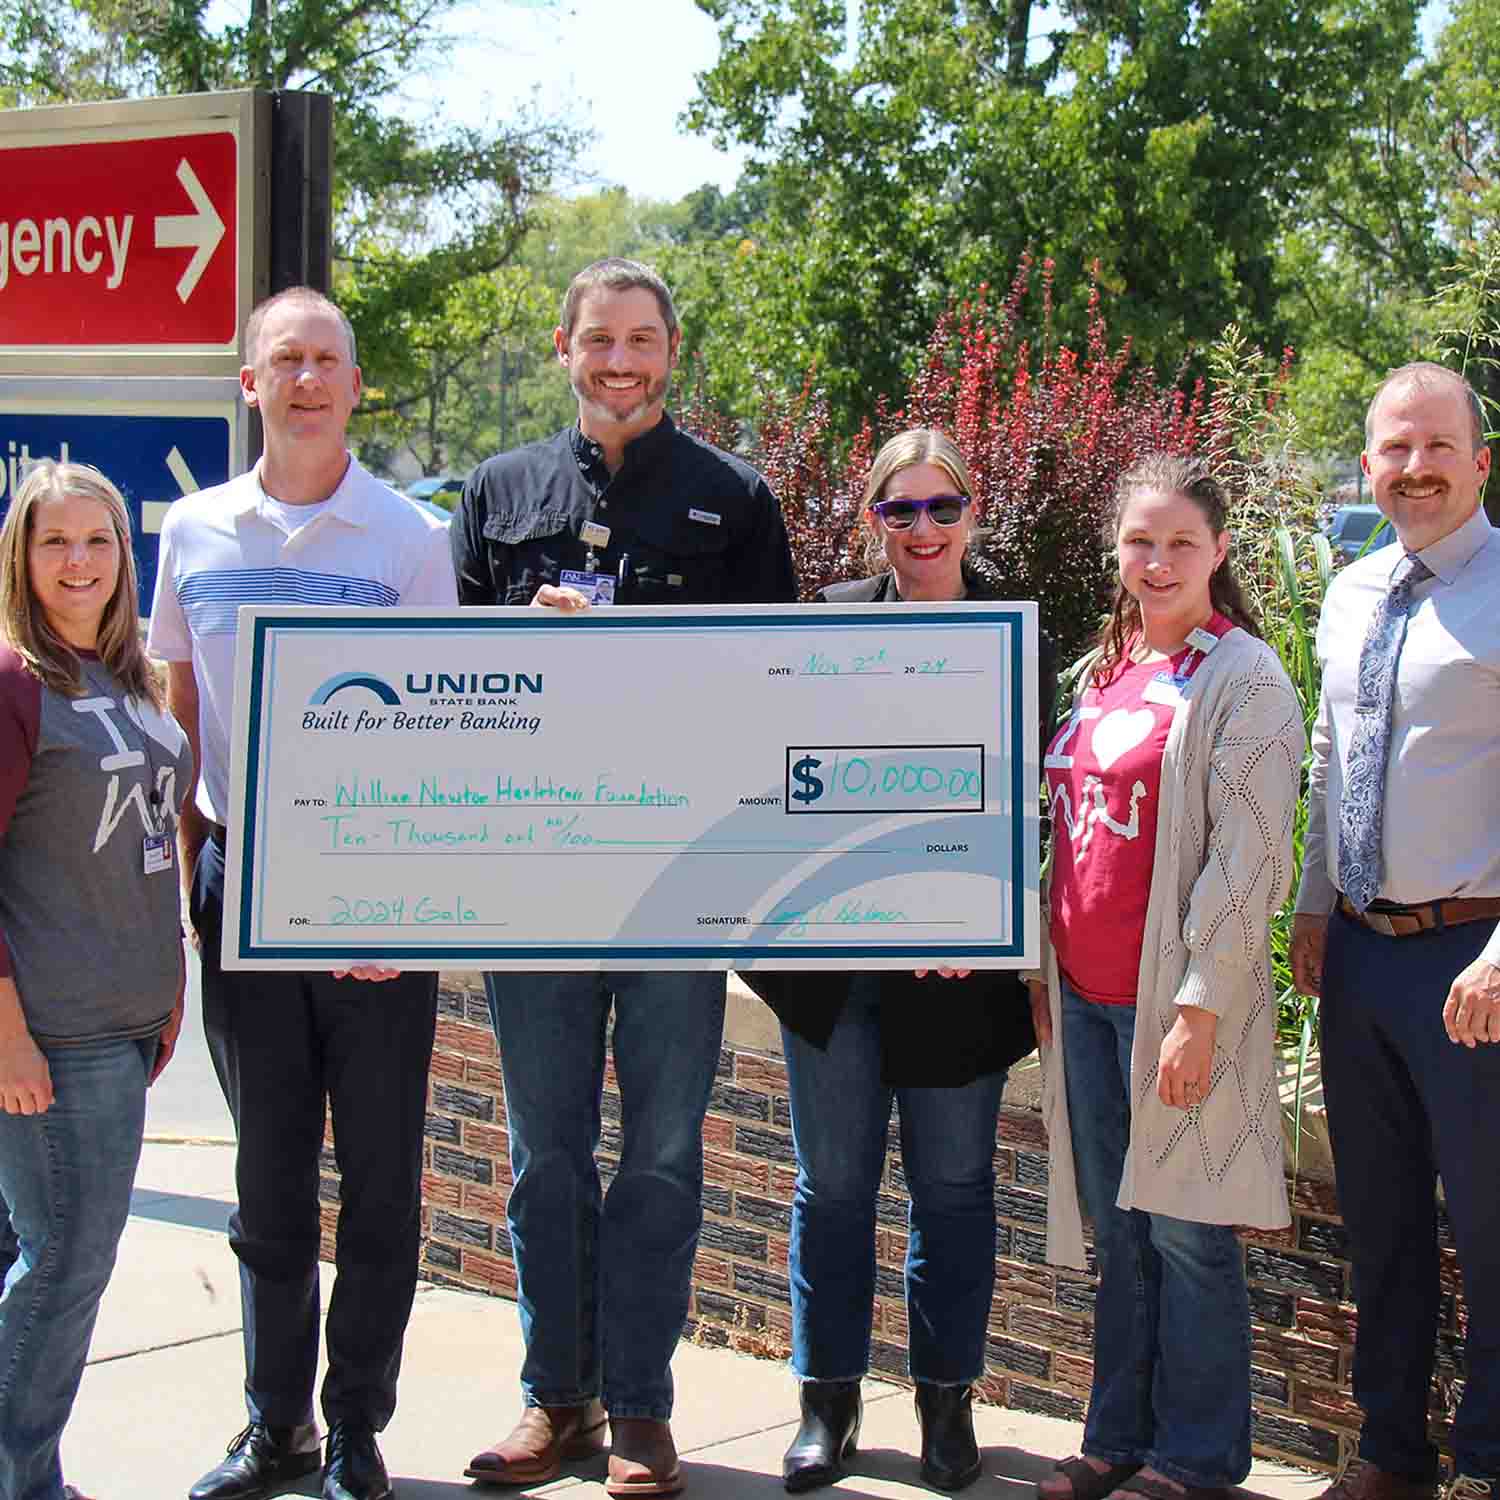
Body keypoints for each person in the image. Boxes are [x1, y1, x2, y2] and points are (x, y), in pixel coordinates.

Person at [451, 257, 797, 1496]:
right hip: (536, 889)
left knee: (658, 1155)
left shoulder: (735, 501)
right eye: (600, 339)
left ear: (671, 349)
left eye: (642, 340)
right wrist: (513, 638)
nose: (621, 361)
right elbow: (448, 694)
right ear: (565, 347)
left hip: (673, 890)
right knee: (545, 1154)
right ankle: (559, 1403)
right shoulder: (495, 496)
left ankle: (642, 1412)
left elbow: (779, 696)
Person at [149, 287, 457, 1500]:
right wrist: (189, 880)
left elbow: (441, 724)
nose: (309, 379)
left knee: (382, 1176)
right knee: (267, 1177)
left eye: (328, 359)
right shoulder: (192, 528)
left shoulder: (408, 540)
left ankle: (358, 1428)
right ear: (251, 382)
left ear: (356, 384)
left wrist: (408, 899)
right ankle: (274, 1422)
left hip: (377, 892)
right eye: (286, 359)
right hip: (244, 886)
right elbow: (183, 711)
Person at [743, 428, 1055, 1494]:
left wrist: (973, 917)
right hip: (834, 976)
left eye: (941, 508)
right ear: (870, 520)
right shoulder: (824, 624)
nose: (922, 530)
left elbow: (1027, 808)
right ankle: (825, 1402)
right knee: (831, 1190)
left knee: (956, 1192)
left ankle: (946, 1404)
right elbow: (784, 789)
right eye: (899, 510)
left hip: (959, 980)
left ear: (974, 513)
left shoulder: (1019, 635)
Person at [1035, 454, 1302, 1500]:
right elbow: (1074, 832)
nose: (1157, 562)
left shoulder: (1245, 677)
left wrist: (1200, 1007)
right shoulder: (1109, 667)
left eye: (1180, 543)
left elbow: (1249, 863)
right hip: (1088, 1002)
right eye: (1140, 542)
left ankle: (1195, 1462)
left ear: (1219, 550)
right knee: (1124, 1231)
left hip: (1178, 1008)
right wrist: (1042, 972)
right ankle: (1117, 1438)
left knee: (1189, 1236)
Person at [1290, 363, 1500, 1500]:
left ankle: (1489, 1460)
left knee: (1491, 1229)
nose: (1414, 469)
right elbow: (1335, 761)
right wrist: (1314, 905)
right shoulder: (1353, 590)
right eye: (1393, 449)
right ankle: (1390, 1452)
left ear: (1480, 459)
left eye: (1436, 447)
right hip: (1362, 958)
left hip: (1476, 964)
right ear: (1369, 463)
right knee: (1382, 1226)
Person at [0, 461, 190, 1500]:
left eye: (99, 542)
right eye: (54, 543)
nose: (78, 563)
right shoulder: (13, 681)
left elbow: (147, 847)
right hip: (51, 1034)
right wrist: (6, 1037)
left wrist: (167, 991)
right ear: (21, 561)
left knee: (43, 1267)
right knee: (64, 1271)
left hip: (122, 1024)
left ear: (126, 555)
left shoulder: (125, 677)